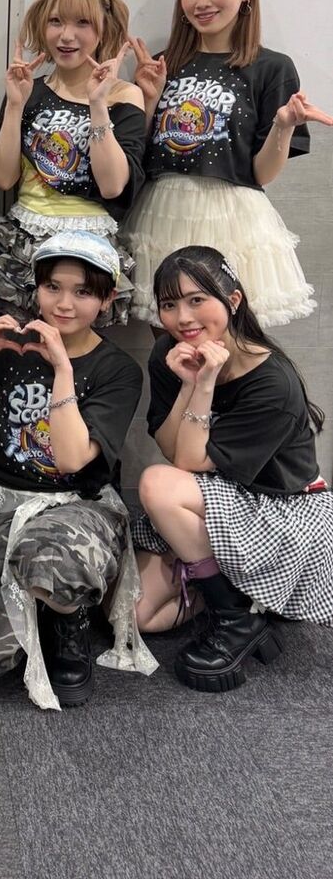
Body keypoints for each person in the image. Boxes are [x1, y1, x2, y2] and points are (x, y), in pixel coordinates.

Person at [0, 231, 157, 711]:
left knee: (52, 560)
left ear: (106, 299)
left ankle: (66, 616)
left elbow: (71, 459)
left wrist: (62, 370)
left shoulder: (118, 369)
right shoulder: (7, 348)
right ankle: (34, 600)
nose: (64, 304)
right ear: (36, 288)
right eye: (53, 287)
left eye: (83, 292)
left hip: (77, 505)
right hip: (0, 500)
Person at [132, 245, 333, 692]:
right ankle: (232, 589)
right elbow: (174, 449)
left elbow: (185, 465)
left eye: (196, 300)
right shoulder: (170, 353)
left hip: (281, 508)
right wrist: (188, 384)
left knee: (157, 484)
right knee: (139, 616)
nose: (183, 317)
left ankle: (235, 618)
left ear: (233, 300)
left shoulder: (272, 381)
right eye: (169, 304)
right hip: (212, 496)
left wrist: (203, 384)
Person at [125, 0, 332, 326]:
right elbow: (142, 153)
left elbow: (262, 174)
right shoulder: (163, 64)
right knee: (170, 334)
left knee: (229, 338)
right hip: (163, 212)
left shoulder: (272, 68)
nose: (201, 2)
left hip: (231, 216)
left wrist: (283, 126)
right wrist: (149, 99)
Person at [0, 0, 144, 324]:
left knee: (79, 352)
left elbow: (113, 185)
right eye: (56, 21)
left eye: (82, 23)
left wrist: (98, 104)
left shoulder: (123, 95)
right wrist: (15, 105)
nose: (66, 35)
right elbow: (3, 178)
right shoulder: (29, 89)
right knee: (18, 346)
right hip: (25, 239)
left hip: (90, 244)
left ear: (103, 27)